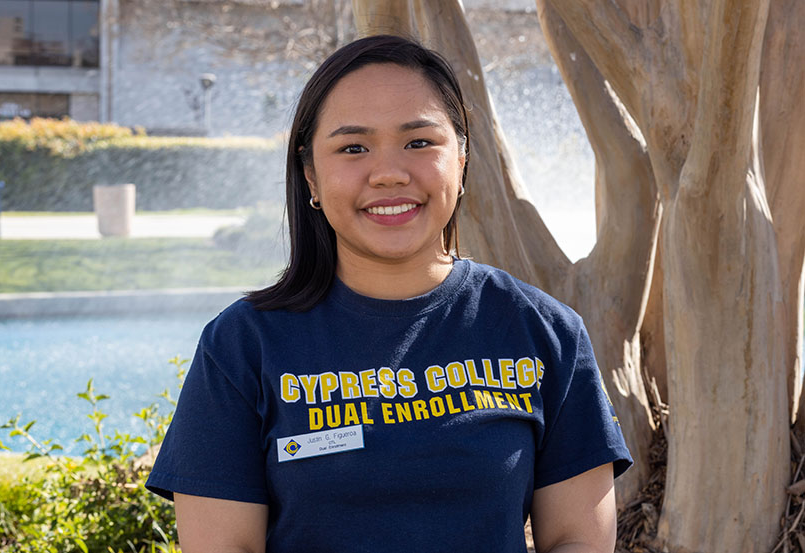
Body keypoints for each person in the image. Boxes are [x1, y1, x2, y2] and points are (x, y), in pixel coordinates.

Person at [146, 34, 632, 553]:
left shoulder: (544, 332)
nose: (389, 173)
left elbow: (578, 540)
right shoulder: (241, 346)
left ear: (462, 160)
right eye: (353, 147)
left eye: (419, 142)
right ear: (310, 175)